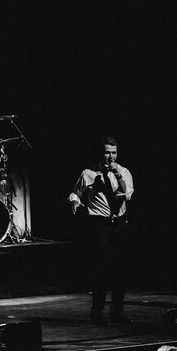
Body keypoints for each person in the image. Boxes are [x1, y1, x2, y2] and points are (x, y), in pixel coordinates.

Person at [69, 136, 134, 323]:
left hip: (119, 223)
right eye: (107, 152)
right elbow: (75, 192)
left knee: (120, 269)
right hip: (99, 224)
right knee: (101, 268)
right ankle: (97, 312)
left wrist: (117, 174)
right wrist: (74, 200)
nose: (111, 157)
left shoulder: (124, 172)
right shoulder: (88, 173)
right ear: (101, 153)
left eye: (114, 153)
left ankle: (117, 312)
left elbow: (126, 194)